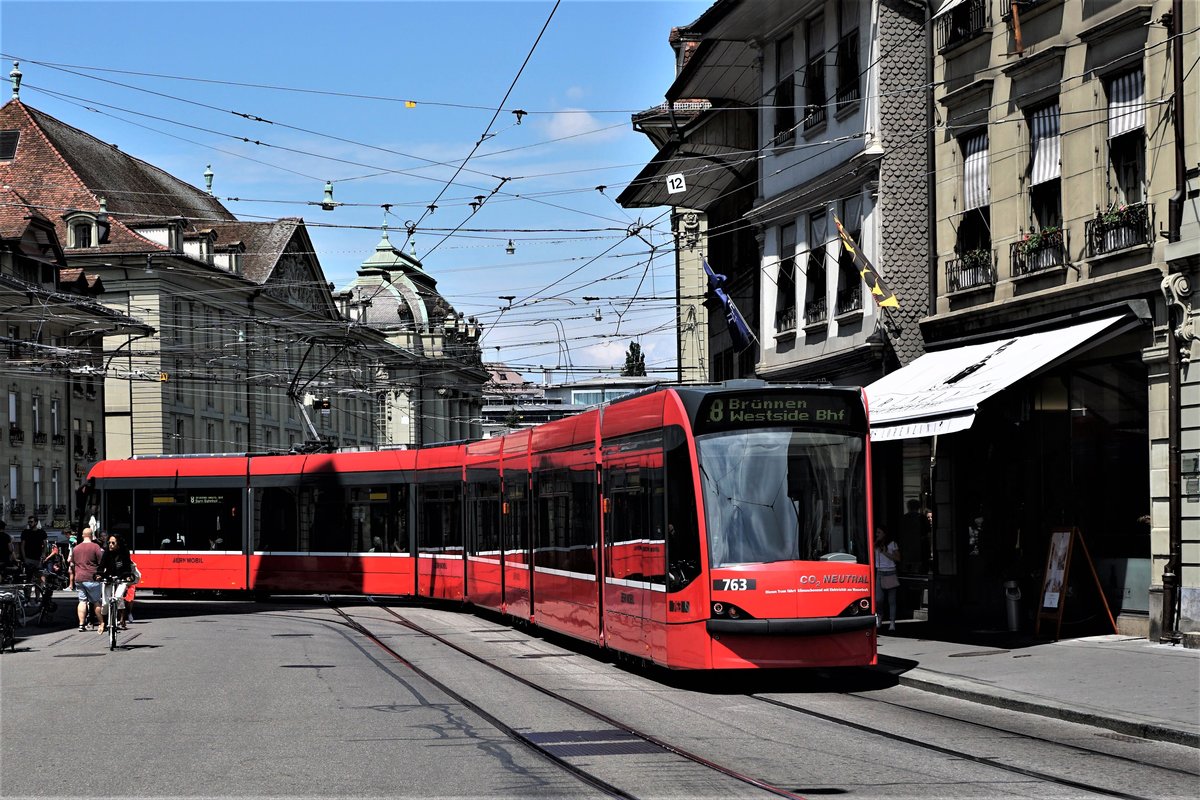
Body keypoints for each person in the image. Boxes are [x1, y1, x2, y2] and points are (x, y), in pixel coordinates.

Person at [95, 533, 136, 633]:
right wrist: (99, 574)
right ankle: (104, 622)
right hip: (109, 578)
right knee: (105, 604)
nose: (110, 545)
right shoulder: (107, 552)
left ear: (118, 543)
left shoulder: (124, 552)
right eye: (109, 543)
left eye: (113, 543)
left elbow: (127, 565)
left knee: (117, 598)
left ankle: (118, 619)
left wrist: (127, 575)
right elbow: (102, 565)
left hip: (121, 578)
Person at [69, 528, 104, 632]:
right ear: (92, 535)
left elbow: (72, 563)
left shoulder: (76, 548)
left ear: (83, 535)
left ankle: (81, 624)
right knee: (96, 602)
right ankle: (101, 622)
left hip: (79, 578)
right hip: (92, 577)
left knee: (82, 601)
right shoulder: (95, 546)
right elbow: (101, 562)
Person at [874, 525, 901, 632]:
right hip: (880, 572)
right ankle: (880, 616)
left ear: (885, 534)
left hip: (890, 572)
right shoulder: (875, 544)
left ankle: (892, 622)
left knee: (891, 600)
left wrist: (885, 552)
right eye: (876, 533)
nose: (877, 535)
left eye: (879, 533)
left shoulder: (892, 544)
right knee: (878, 599)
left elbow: (898, 558)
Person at [20, 517, 47, 600]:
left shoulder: (41, 532)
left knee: (38, 580)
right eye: (28, 522)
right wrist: (24, 558)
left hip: (38, 559)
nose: (29, 523)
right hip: (29, 558)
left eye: (31, 522)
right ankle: (27, 598)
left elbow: (45, 545)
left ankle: (37, 598)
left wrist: (43, 555)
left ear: (36, 522)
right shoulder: (25, 532)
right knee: (28, 579)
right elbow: (22, 546)